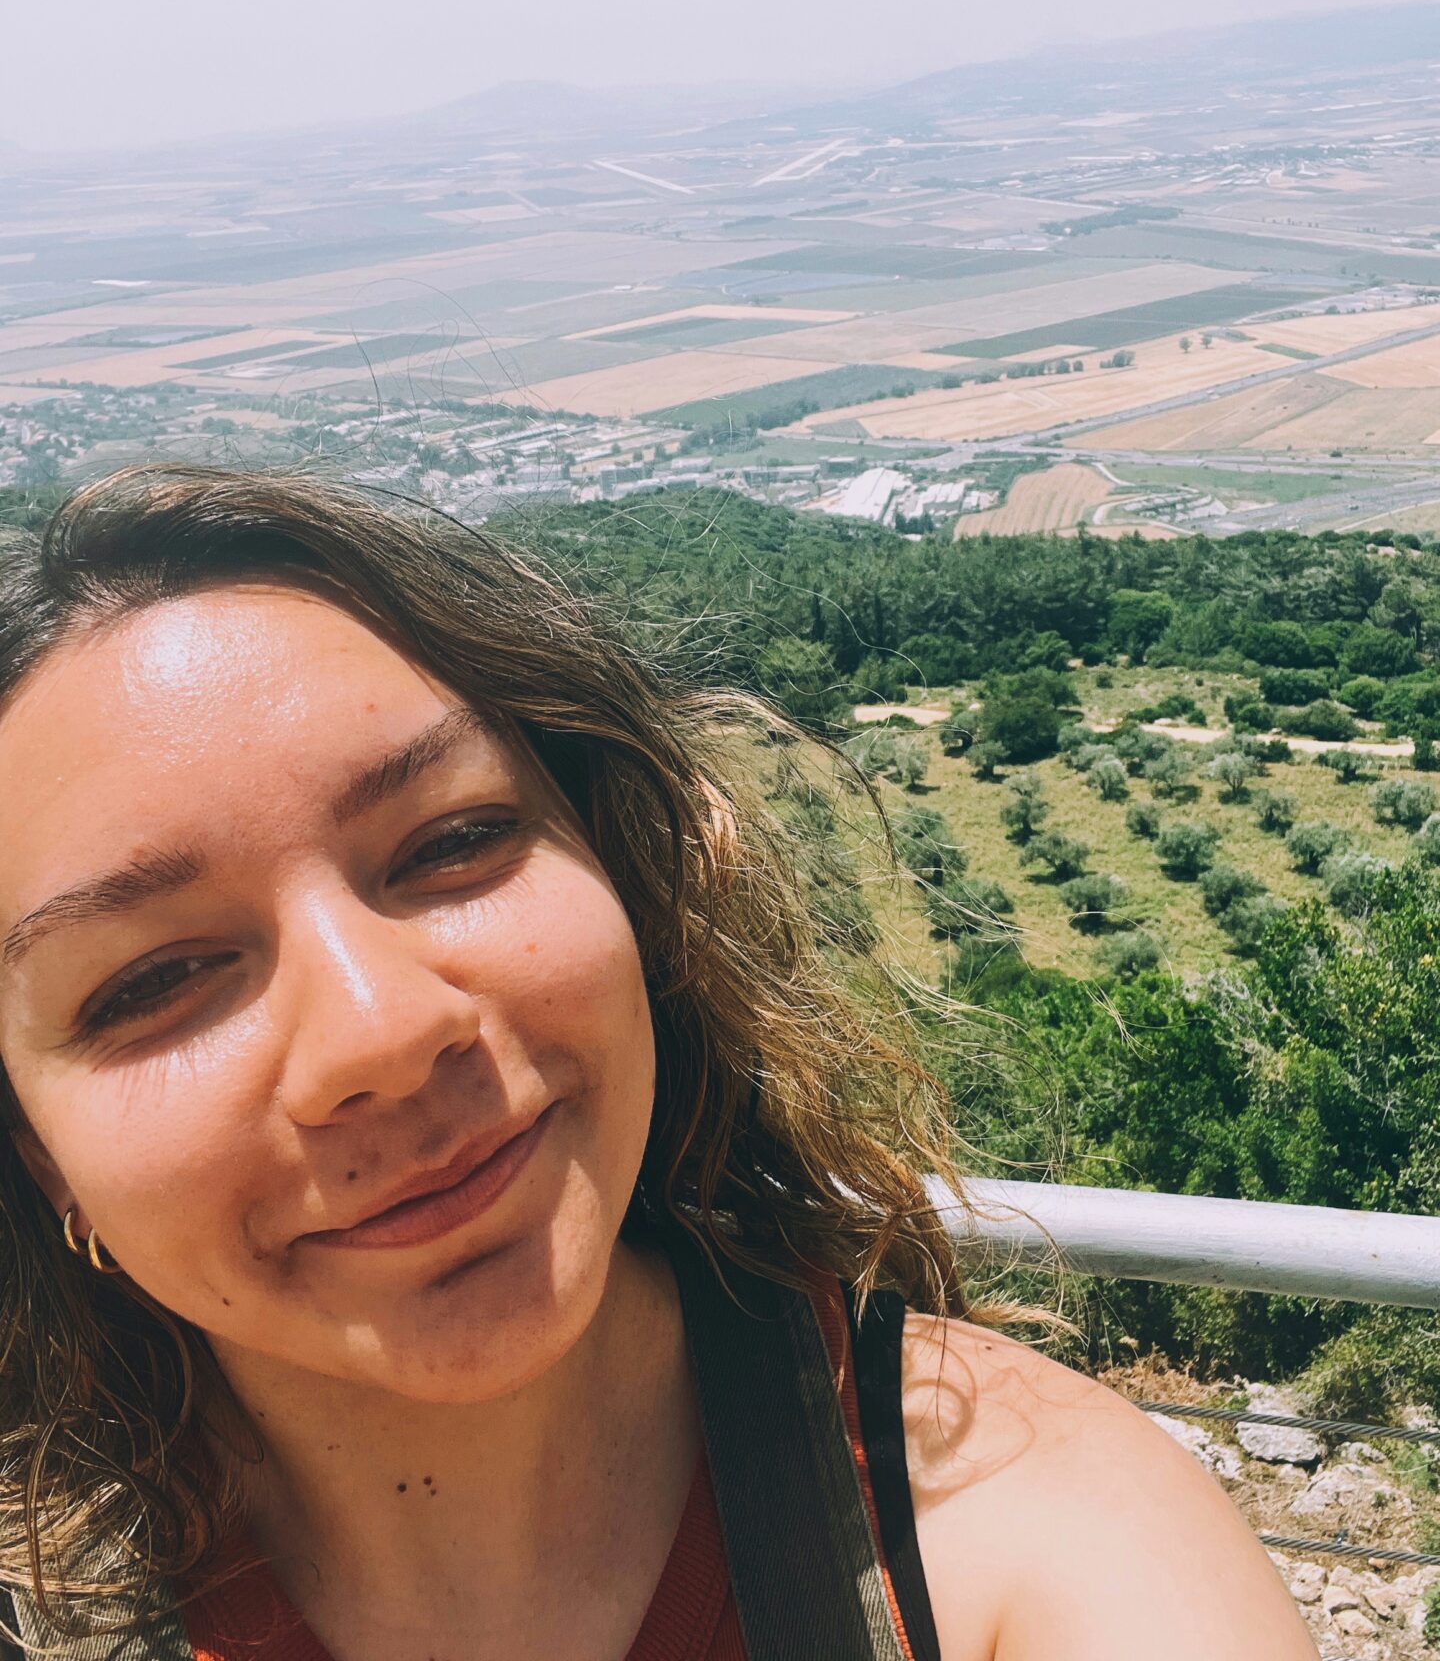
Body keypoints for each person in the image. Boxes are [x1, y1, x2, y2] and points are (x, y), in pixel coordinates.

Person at [0, 464, 1315, 1661]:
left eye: (451, 841)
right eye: (154, 981)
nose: (381, 1033)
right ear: (36, 1147)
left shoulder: (1029, 1547)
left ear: (619, 876)